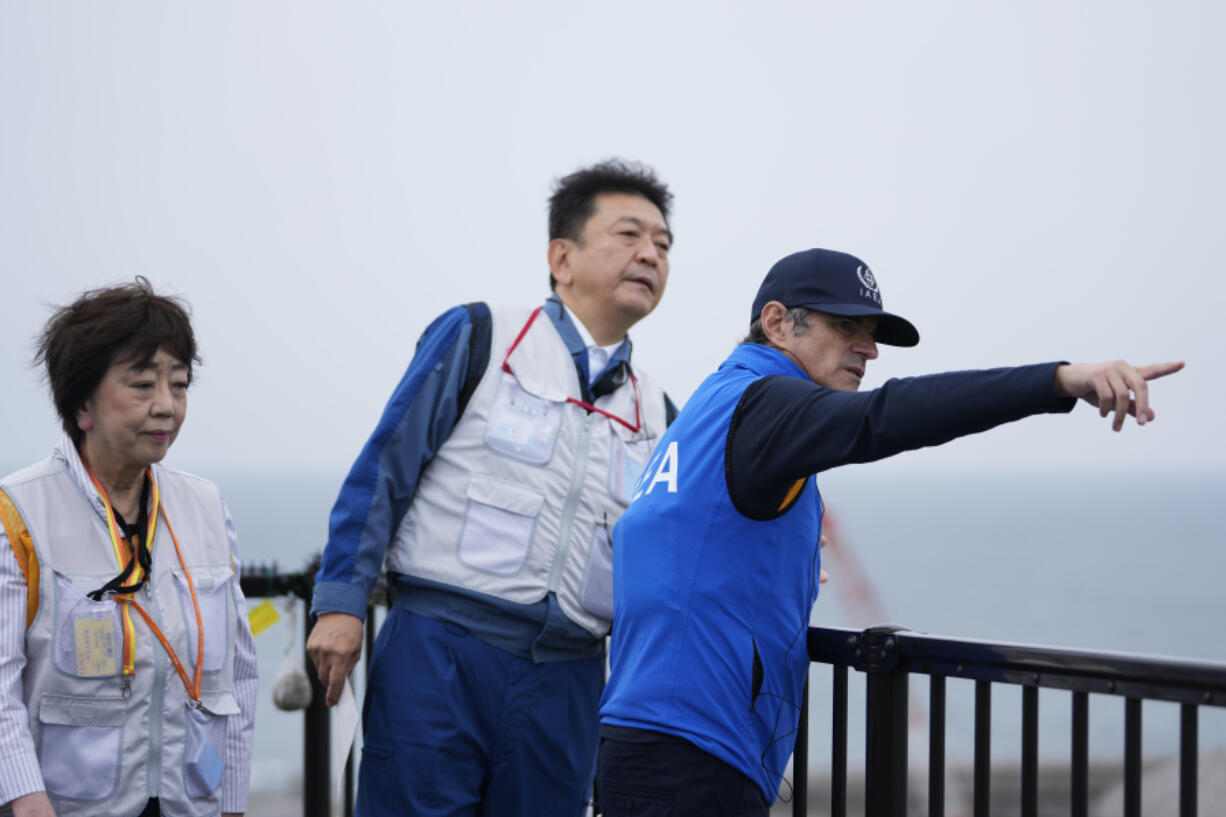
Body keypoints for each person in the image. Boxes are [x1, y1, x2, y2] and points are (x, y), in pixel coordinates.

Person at [595, 248, 1184, 817]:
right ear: (776, 322)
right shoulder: (768, 404)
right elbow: (886, 416)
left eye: (872, 332)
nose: (870, 349)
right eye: (846, 324)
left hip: (648, 741)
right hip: (692, 758)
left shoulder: (712, 406)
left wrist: (768, 567)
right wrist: (1057, 381)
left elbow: (672, 540)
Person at [306, 158, 678, 816]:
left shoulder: (660, 411)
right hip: (441, 650)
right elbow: (385, 467)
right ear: (561, 257)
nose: (651, 252)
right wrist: (341, 600)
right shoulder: (483, 334)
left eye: (663, 243)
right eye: (629, 235)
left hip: (567, 676)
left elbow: (678, 543)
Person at [0, 279, 258, 817]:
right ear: (82, 404)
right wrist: (26, 802)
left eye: (180, 385)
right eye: (142, 385)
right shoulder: (19, 513)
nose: (167, 406)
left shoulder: (206, 506)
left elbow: (239, 676)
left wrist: (230, 803)